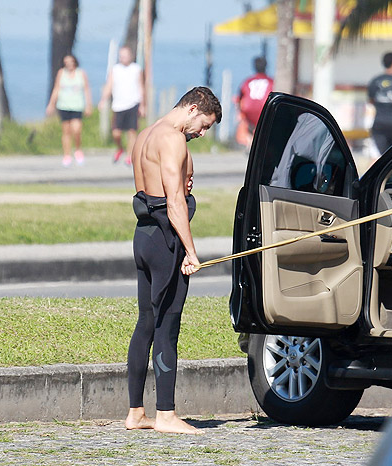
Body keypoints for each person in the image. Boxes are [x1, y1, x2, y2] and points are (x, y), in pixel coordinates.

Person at [126, 86, 221, 435]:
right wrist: (191, 251)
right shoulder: (173, 138)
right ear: (193, 108)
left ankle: (136, 412)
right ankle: (165, 413)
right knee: (168, 325)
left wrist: (183, 178)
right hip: (166, 242)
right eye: (205, 124)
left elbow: (147, 190)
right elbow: (174, 202)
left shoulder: (144, 135)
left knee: (145, 323)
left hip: (143, 237)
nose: (202, 132)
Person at [99, 46, 145, 165]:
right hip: (118, 104)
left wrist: (142, 104)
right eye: (121, 56)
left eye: (125, 55)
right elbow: (109, 85)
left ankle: (129, 155)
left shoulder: (136, 69)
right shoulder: (115, 69)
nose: (123, 58)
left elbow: (141, 87)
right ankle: (120, 148)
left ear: (130, 56)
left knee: (132, 131)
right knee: (116, 132)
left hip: (133, 103)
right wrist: (103, 100)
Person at [46, 54, 93, 166]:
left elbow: (86, 89)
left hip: (77, 106)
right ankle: (67, 154)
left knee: (76, 129)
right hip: (64, 106)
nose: (69, 65)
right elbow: (56, 88)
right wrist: (51, 104)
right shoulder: (61, 73)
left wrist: (88, 105)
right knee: (66, 131)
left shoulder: (81, 73)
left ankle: (77, 149)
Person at [235, 56, 273, 150]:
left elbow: (240, 97)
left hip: (249, 109)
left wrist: (240, 112)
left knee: (250, 126)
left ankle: (250, 142)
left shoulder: (247, 81)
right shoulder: (271, 81)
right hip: (264, 108)